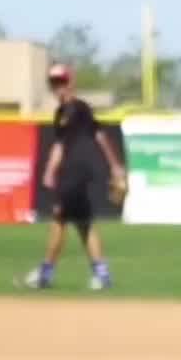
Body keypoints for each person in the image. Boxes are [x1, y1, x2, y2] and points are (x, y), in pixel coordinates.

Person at [17, 63, 125, 291]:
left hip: (78, 169)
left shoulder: (80, 108)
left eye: (62, 82)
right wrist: (49, 169)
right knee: (83, 223)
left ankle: (46, 273)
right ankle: (102, 274)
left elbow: (100, 136)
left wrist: (115, 166)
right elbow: (59, 145)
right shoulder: (59, 114)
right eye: (54, 83)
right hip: (70, 170)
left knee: (59, 217)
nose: (58, 87)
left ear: (71, 82)